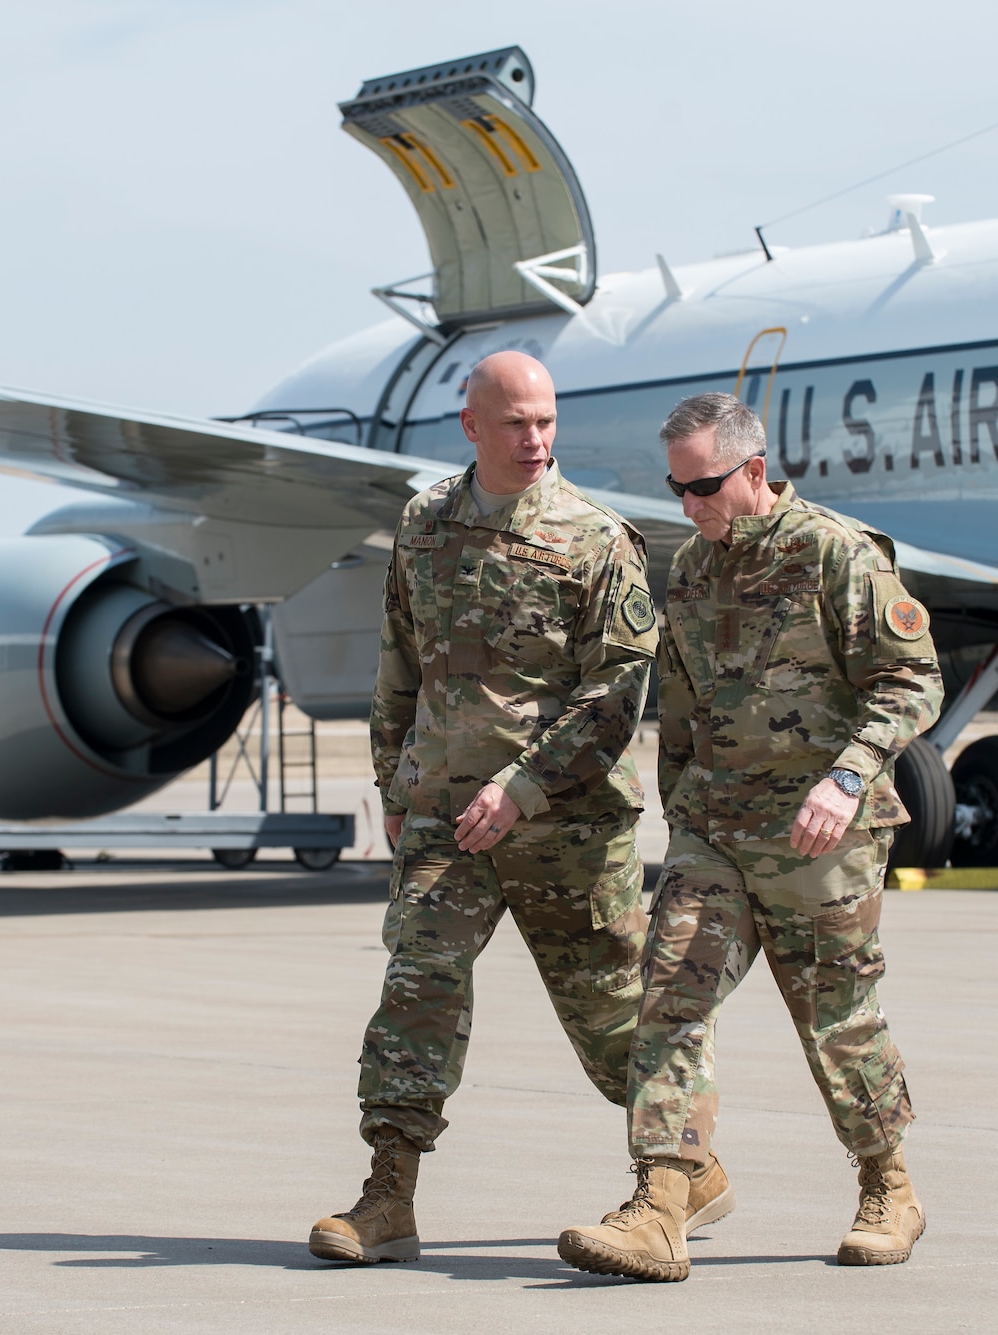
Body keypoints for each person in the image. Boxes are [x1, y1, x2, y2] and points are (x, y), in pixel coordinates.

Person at [309, 351, 732, 1265]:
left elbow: (619, 692)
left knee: (615, 1019)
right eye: (515, 423)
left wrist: (524, 786)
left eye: (545, 420)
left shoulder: (596, 538)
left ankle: (679, 1172)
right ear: (472, 428)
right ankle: (389, 1195)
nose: (535, 438)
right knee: (417, 989)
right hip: (444, 821)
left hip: (566, 825)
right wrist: (395, 782)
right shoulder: (424, 525)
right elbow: (398, 666)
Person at [557, 392, 944, 1282]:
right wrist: (682, 810)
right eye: (677, 488)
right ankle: (662, 1199)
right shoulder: (691, 570)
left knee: (836, 1020)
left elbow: (912, 680)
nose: (689, 505)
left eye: (704, 486)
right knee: (669, 996)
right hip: (719, 833)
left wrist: (847, 776)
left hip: (822, 838)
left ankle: (890, 1185)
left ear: (756, 471)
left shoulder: (835, 553)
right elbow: (683, 706)